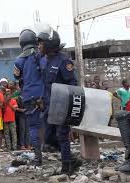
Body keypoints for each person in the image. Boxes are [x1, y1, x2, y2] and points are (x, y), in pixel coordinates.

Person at [37, 27, 82, 175]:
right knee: (48, 138)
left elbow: (73, 84)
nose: (39, 46)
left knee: (62, 135)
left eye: (41, 43)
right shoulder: (43, 61)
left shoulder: (63, 61)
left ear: (49, 44)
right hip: (49, 105)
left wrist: (70, 106)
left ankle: (66, 166)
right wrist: (42, 100)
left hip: (62, 105)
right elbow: (45, 83)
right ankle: (72, 159)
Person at [14, 29, 44, 165]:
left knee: (33, 127)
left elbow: (16, 76)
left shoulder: (18, 59)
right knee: (52, 123)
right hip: (44, 94)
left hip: (28, 97)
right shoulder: (40, 55)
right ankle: (59, 151)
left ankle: (38, 158)